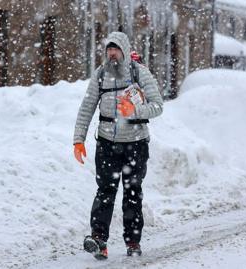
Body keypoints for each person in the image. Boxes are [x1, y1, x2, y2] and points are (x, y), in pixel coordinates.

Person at [73, 31, 163, 260]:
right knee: (105, 192)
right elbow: (87, 107)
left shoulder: (139, 73)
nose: (111, 53)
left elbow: (158, 106)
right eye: (108, 49)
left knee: (132, 193)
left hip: (135, 144)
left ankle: (133, 241)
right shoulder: (101, 74)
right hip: (106, 144)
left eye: (115, 49)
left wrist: (135, 111)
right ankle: (99, 240)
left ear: (123, 50)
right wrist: (78, 139)